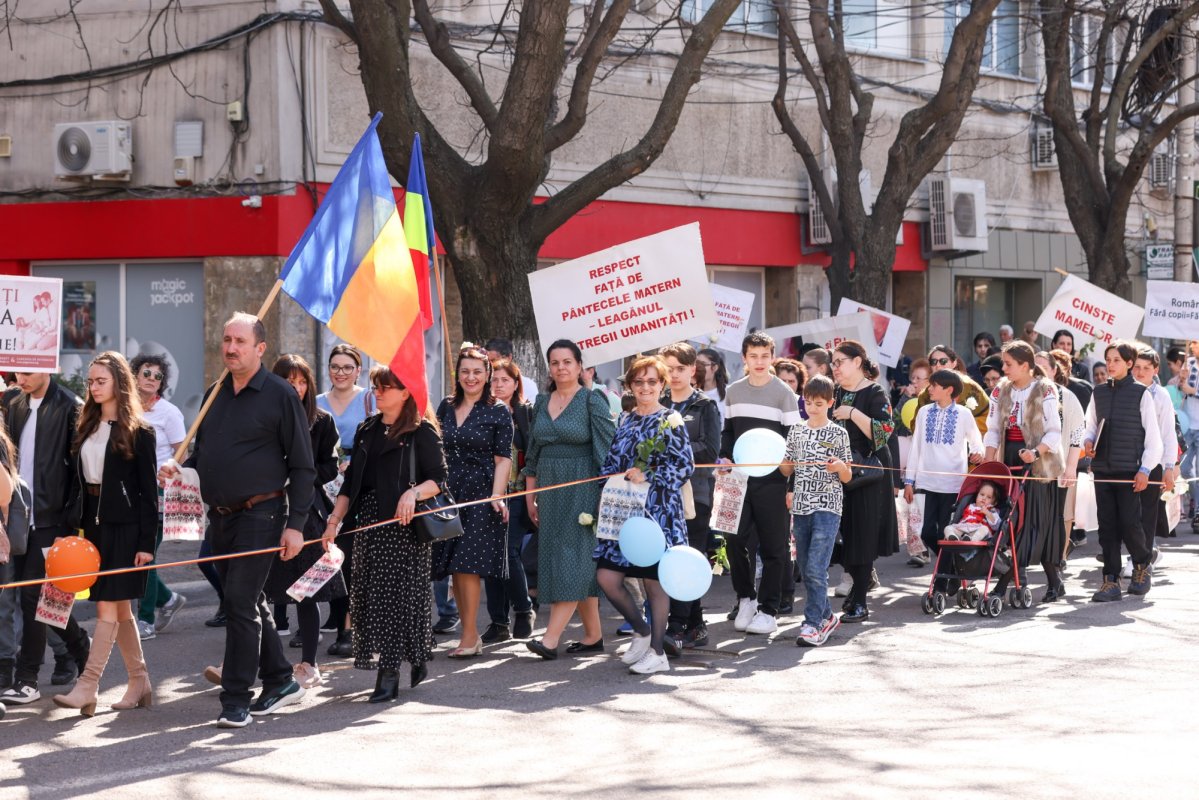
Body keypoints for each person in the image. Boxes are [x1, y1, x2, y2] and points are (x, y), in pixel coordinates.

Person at [159, 313, 315, 728]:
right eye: (226, 340)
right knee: (244, 602)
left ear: (260, 348)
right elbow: (203, 455)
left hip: (262, 512)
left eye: (240, 341)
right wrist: (180, 470)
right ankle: (282, 678)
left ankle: (235, 698)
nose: (230, 348)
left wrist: (295, 524)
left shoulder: (281, 395)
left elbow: (303, 467)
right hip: (221, 517)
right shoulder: (215, 394)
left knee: (241, 603)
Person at [323, 365, 446, 702]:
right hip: (368, 524)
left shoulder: (421, 431)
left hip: (405, 526)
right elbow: (350, 485)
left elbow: (438, 478)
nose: (377, 392)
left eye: (385, 387)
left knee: (398, 597)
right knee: (371, 596)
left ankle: (388, 675)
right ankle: (417, 654)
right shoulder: (368, 429)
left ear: (405, 392)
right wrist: (334, 521)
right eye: (376, 386)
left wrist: (413, 493)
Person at [50, 353, 157, 716]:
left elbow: (148, 494)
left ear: (118, 383)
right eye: (91, 381)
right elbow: (76, 483)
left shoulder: (140, 432)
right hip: (92, 525)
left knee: (106, 605)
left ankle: (88, 684)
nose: (93, 387)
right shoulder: (85, 424)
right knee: (120, 607)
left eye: (101, 381)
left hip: (125, 528)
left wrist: (146, 544)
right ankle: (139, 679)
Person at [592, 356, 693, 674]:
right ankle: (642, 630)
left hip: (657, 512)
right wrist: (612, 477)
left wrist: (649, 473)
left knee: (653, 583)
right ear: (630, 386)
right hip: (622, 510)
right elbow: (611, 461)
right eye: (639, 382)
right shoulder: (626, 419)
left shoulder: (671, 419)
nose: (646, 387)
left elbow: (685, 466)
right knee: (607, 577)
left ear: (662, 385)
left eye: (652, 381)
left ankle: (658, 652)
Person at [0, 372, 90, 708]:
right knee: (45, 600)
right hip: (18, 518)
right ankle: (82, 647)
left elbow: (78, 470)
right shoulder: (12, 403)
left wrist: (72, 519)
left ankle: (27, 679)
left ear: (46, 365)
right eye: (16, 372)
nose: (19, 378)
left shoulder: (70, 406)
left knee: (33, 596)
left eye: (26, 372)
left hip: (53, 519)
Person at [523, 340, 615, 660]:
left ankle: (549, 640)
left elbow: (607, 453)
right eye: (555, 362)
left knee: (572, 561)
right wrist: (530, 496)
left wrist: (604, 496)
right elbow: (533, 454)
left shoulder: (593, 400)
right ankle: (593, 636)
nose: (561, 367)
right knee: (569, 561)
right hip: (549, 489)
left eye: (567, 362)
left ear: (579, 366)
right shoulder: (541, 401)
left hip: (583, 489)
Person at [262, 355, 344, 689]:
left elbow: (331, 465)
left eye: (302, 381)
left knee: (306, 593)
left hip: (306, 513)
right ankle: (246, 661)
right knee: (257, 594)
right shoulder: (263, 418)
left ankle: (309, 662)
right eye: (289, 380)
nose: (296, 388)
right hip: (266, 511)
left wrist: (301, 473)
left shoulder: (321, 421)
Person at [718, 332, 802, 636]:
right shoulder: (733, 391)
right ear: (744, 358)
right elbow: (727, 432)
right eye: (753, 356)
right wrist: (724, 457)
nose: (759, 362)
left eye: (765, 356)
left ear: (773, 357)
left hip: (773, 480)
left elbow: (795, 440)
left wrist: (790, 482)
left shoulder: (783, 393)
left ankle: (769, 609)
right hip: (737, 478)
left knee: (773, 545)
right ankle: (746, 599)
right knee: (734, 539)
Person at [434, 345, 513, 658]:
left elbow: (503, 458)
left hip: (480, 493)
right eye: (465, 371)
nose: (471, 377)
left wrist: (497, 493)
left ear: (487, 375)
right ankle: (469, 634)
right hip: (447, 493)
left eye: (477, 372)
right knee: (455, 564)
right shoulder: (445, 405)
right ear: (457, 374)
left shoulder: (498, 410)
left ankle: (469, 635)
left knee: (468, 564)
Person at [982, 342, 1066, 602]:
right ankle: (1054, 583)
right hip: (1010, 461)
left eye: (1008, 364)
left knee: (1033, 526)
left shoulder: (1045, 388)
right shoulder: (1001, 390)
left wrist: (1036, 452)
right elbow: (994, 428)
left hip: (1038, 464)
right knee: (1016, 523)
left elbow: (1054, 429)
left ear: (1026, 366)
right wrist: (988, 464)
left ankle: (1002, 587)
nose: (1003, 368)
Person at [1082, 342, 1162, 601]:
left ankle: (1141, 565)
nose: (1111, 364)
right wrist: (1087, 443)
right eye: (1108, 359)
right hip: (1103, 470)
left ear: (1129, 364)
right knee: (1107, 528)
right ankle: (1110, 580)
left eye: (1116, 360)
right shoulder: (1098, 392)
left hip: (1130, 471)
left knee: (1130, 523)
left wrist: (1145, 470)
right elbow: (1090, 426)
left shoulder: (1142, 394)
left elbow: (1154, 439)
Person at [780, 375, 851, 647]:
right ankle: (827, 616)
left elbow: (848, 476)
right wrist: (784, 462)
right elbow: (786, 469)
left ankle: (812, 623)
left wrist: (839, 468)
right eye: (808, 402)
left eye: (818, 403)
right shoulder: (796, 430)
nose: (812, 407)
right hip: (800, 506)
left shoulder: (838, 433)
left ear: (831, 403)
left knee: (816, 567)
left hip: (828, 506)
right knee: (807, 566)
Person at [831, 340, 898, 622]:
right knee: (842, 536)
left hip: (868, 473)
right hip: (837, 472)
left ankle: (860, 599)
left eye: (839, 362)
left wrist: (853, 414)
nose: (835, 368)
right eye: (832, 363)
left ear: (857, 362)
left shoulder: (875, 392)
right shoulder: (834, 392)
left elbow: (884, 433)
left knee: (863, 536)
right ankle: (861, 582)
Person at [660, 343, 720, 648]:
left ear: (692, 370)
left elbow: (710, 450)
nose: (673, 375)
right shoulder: (656, 402)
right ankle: (696, 624)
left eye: (679, 368)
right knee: (669, 559)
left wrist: (673, 452)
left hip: (695, 494)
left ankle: (677, 628)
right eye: (667, 369)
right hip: (660, 494)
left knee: (686, 559)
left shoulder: (704, 405)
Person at [129, 353, 188, 641]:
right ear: (135, 376)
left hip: (160, 491)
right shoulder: (127, 408)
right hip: (131, 491)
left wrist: (168, 469)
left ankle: (146, 619)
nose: (152, 379)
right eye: (146, 373)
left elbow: (183, 452)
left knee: (146, 553)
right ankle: (168, 599)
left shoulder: (169, 412)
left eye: (157, 375)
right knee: (135, 553)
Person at [316, 344, 370, 655]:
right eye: (335, 366)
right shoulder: (319, 402)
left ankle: (348, 627)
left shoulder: (368, 399)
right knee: (326, 550)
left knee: (350, 552)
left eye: (347, 367)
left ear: (357, 370)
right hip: (324, 483)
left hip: (356, 482)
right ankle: (332, 615)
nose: (340, 372)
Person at [903, 369, 984, 577]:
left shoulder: (964, 414)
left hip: (953, 485)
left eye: (934, 385)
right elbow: (916, 447)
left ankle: (945, 576)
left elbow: (977, 443)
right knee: (927, 532)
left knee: (944, 532)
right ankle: (954, 568)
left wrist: (977, 453)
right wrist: (909, 481)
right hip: (927, 483)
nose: (929, 389)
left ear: (949, 390)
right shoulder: (923, 412)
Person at [482, 359, 536, 643]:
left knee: (508, 551)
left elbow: (533, 453)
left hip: (515, 491)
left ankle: (524, 609)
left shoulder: (525, 414)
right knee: (491, 557)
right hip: (488, 494)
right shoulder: (482, 412)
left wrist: (531, 494)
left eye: (505, 380)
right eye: (495, 380)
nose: (499, 385)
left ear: (516, 384)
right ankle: (498, 621)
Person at [1035, 350, 1085, 583]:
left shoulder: (1067, 397)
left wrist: (1071, 467)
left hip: (1063, 464)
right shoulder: (1025, 396)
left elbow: (1077, 434)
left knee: (1064, 514)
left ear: (1054, 371)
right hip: (1034, 466)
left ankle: (1059, 557)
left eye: (1043, 367)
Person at [1131, 346, 1177, 550]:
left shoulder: (1162, 396)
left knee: (1148, 512)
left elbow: (1168, 433)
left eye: (1146, 368)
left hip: (1154, 462)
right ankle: (1137, 552)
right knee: (1129, 514)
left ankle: (1144, 557)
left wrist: (1169, 466)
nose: (1140, 372)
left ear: (1155, 370)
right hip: (1127, 460)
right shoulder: (1126, 391)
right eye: (1137, 367)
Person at [916, 346, 989, 433]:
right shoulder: (925, 394)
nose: (938, 365)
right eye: (933, 362)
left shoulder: (970, 387)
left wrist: (960, 426)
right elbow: (916, 425)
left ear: (954, 363)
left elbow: (989, 418)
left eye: (943, 361)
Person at [1180, 341, 1199, 524]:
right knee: (1185, 469)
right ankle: (1195, 499)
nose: (1194, 346)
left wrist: (1193, 390)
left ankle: (1198, 510)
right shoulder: (1189, 362)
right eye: (1193, 343)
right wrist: (1181, 380)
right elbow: (1180, 389)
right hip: (1187, 424)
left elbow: (1190, 391)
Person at [485, 338, 539, 402]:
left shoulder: (528, 386)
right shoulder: (482, 383)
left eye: (493, 360)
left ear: (508, 358)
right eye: (486, 362)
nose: (490, 365)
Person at [696, 348, 730, 424]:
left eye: (703, 364)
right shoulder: (692, 392)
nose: (699, 368)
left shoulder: (729, 393)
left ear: (714, 368)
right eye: (696, 364)